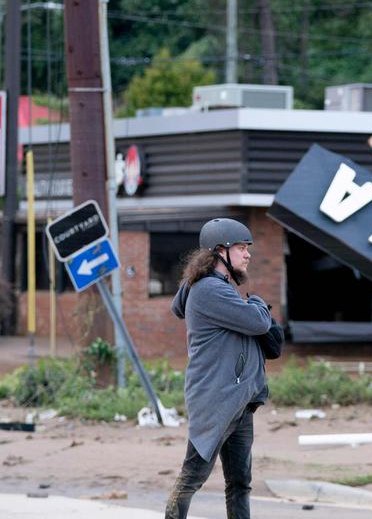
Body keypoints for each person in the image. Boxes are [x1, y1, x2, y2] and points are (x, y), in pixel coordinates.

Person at [165, 218, 272, 519]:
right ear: (219, 252)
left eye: (247, 248)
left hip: (238, 400)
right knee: (191, 479)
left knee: (239, 483)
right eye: (241, 248)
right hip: (216, 400)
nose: (247, 254)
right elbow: (258, 322)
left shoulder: (220, 287)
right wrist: (260, 305)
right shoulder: (209, 290)